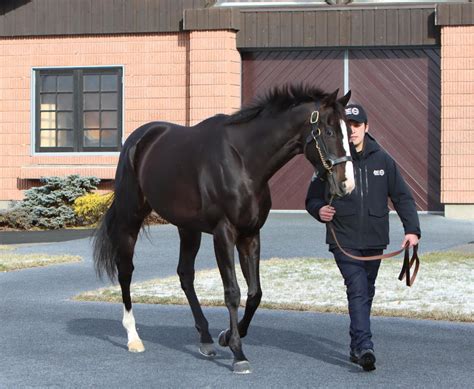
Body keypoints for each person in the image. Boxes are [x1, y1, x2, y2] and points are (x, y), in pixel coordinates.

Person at [305, 103, 420, 371]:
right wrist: (318, 210)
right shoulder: (331, 159)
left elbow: (402, 197)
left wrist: (412, 230)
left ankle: (356, 345)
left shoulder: (383, 160)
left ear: (366, 127)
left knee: (367, 290)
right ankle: (365, 346)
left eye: (357, 125)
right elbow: (311, 198)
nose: (353, 130)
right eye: (348, 126)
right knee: (357, 289)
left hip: (375, 239)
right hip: (343, 239)